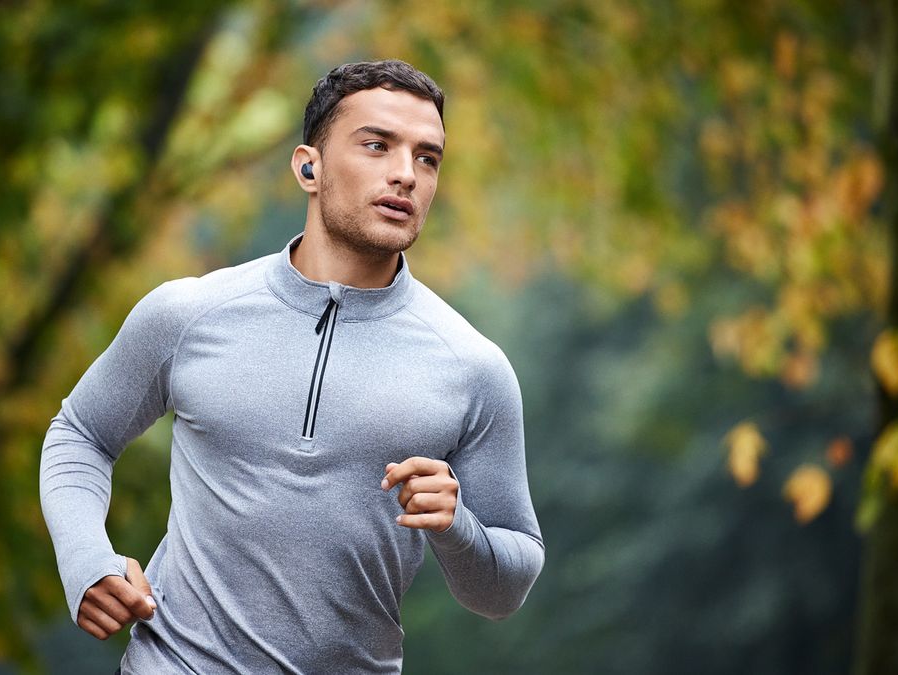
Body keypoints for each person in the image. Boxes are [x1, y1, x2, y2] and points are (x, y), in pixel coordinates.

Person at [39, 59, 544, 674]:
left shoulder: (472, 368)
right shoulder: (189, 313)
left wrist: (455, 526)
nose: (405, 175)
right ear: (309, 166)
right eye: (377, 146)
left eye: (427, 157)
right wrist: (86, 560)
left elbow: (503, 589)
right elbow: (80, 434)